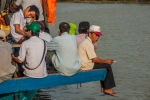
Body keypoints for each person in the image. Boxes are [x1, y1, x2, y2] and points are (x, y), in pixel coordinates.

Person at [77, 25, 118, 97]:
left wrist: (104, 61)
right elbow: (95, 59)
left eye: (98, 36)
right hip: (85, 66)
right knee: (107, 66)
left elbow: (94, 58)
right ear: (90, 34)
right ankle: (107, 88)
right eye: (96, 35)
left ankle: (104, 87)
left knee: (103, 65)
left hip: (83, 64)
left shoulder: (86, 42)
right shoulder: (87, 43)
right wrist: (106, 61)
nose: (97, 37)